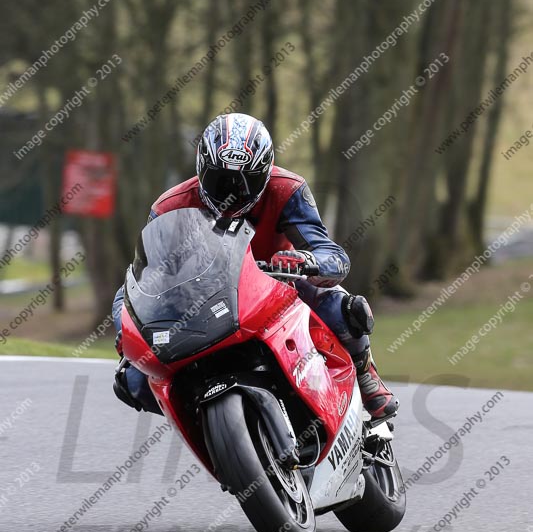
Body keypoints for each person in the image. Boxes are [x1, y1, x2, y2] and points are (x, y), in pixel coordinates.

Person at [112, 113, 398, 420]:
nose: (231, 191)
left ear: (266, 172)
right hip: (201, 298)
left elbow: (331, 254)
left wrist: (307, 261)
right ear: (201, 169)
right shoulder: (170, 206)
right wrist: (127, 328)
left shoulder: (286, 189)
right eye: (219, 180)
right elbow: (142, 281)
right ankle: (204, 422)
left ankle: (365, 374)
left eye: (246, 181)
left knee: (345, 309)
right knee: (133, 379)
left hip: (276, 282)